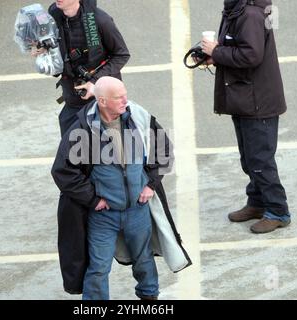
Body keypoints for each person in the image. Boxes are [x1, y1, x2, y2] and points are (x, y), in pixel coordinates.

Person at [51, 77, 192, 299]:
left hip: (137, 209)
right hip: (103, 215)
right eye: (119, 97)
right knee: (98, 267)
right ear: (103, 101)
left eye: (125, 94)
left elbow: (163, 148)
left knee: (144, 259)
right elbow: (63, 171)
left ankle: (148, 296)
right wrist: (93, 200)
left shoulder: (138, 117)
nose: (126, 100)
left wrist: (151, 184)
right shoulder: (82, 128)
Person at [200, 0, 291, 234]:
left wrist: (217, 52)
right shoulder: (238, 9)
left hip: (257, 101)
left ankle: (278, 211)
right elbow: (240, 47)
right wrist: (215, 56)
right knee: (250, 158)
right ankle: (257, 202)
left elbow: (252, 55)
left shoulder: (250, 14)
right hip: (246, 98)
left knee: (260, 160)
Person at [32, 0, 130, 136]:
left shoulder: (101, 21)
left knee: (107, 152)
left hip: (103, 102)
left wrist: (94, 82)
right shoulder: (53, 19)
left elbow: (121, 55)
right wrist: (42, 49)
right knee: (71, 151)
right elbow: (53, 45)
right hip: (73, 100)